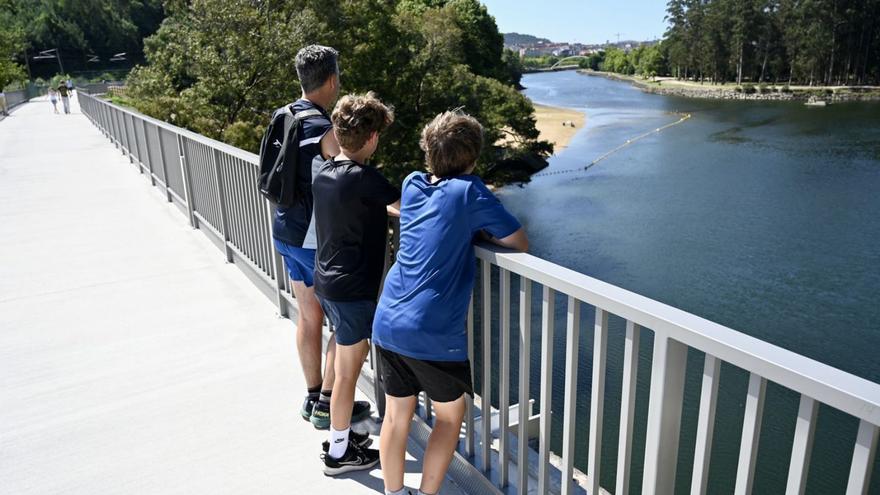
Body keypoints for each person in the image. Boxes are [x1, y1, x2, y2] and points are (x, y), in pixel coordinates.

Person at [373, 110, 528, 495]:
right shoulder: (470, 191)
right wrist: (478, 234)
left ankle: (394, 493)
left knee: (396, 416)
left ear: (428, 151)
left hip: (389, 319)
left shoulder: (411, 184)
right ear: (473, 158)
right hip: (432, 331)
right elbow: (518, 241)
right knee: (449, 416)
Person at [269, 45, 371, 431]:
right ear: (331, 80)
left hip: (284, 229)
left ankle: (313, 395)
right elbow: (347, 168)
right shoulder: (321, 127)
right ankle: (329, 405)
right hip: (314, 239)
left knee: (307, 316)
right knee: (340, 323)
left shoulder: (283, 114)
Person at [312, 92, 400, 475]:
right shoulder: (367, 180)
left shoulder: (324, 172)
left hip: (326, 283)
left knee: (343, 365)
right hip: (353, 291)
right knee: (348, 374)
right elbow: (404, 207)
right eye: (378, 133)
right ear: (370, 138)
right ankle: (338, 454)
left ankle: (340, 436)